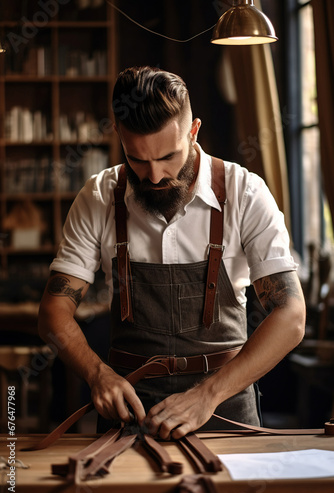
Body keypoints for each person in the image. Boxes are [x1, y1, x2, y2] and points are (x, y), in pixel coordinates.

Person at [38, 66, 306, 440]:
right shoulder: (99, 196)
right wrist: (98, 375)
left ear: (193, 131)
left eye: (168, 156)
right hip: (129, 408)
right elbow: (53, 311)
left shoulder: (245, 193)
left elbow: (291, 315)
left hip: (225, 406)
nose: (154, 176)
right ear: (118, 135)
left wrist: (206, 396)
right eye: (138, 159)